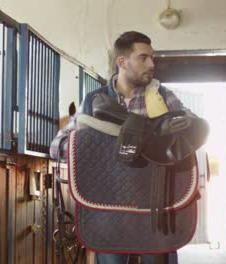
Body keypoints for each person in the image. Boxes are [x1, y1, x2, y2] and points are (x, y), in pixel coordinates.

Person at [50, 31, 188, 264]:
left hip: (153, 204)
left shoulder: (164, 97)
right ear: (122, 62)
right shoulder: (94, 100)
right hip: (109, 205)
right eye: (143, 58)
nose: (152, 64)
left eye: (153, 58)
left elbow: (189, 136)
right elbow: (57, 147)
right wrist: (86, 144)